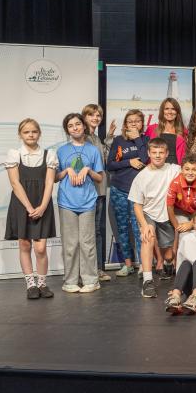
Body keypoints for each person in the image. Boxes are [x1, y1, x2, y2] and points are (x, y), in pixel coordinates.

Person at [5, 118, 58, 299]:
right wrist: (29, 207)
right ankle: (31, 285)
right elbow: (15, 182)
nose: (30, 135)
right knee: (25, 244)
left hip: (42, 202)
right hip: (22, 204)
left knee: (41, 248)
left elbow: (50, 181)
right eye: (26, 132)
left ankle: (42, 284)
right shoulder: (14, 154)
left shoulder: (49, 154)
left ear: (39, 133)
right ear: (20, 134)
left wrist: (42, 206)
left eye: (34, 131)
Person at [56, 113, 105, 294]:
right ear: (67, 130)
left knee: (87, 242)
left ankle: (91, 280)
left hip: (87, 201)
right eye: (70, 125)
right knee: (70, 243)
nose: (75, 127)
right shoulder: (61, 151)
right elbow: (54, 177)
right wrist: (67, 170)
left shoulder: (93, 150)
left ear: (84, 126)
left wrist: (88, 170)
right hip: (67, 202)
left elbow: (100, 178)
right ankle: (70, 280)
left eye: (78, 124)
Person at [129, 137, 181, 296]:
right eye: (154, 152)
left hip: (166, 215)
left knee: (168, 253)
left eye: (161, 152)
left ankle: (167, 263)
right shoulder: (141, 177)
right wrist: (144, 225)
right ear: (148, 154)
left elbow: (194, 169)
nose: (157, 155)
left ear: (167, 154)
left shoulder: (174, 169)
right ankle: (147, 280)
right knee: (148, 237)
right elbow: (137, 205)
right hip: (148, 213)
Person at [107, 109, 149, 277]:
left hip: (138, 192)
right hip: (119, 189)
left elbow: (146, 159)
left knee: (139, 229)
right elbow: (109, 165)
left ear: (142, 124)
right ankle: (128, 264)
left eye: (137, 121)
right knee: (123, 228)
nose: (133, 123)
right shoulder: (118, 140)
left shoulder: (145, 140)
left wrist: (138, 139)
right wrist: (128, 162)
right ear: (125, 125)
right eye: (130, 121)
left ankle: (142, 264)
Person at [82, 104, 112, 282]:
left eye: (98, 115)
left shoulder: (95, 138)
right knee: (89, 231)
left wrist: (108, 138)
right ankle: (89, 269)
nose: (95, 118)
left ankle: (98, 268)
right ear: (84, 117)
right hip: (87, 192)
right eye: (91, 115)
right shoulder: (83, 138)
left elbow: (104, 160)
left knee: (98, 231)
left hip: (100, 190)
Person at [166, 154, 196, 246]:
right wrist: (177, 226)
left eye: (194, 169)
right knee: (184, 235)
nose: (190, 173)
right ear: (181, 169)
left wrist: (192, 223)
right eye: (187, 169)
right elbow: (170, 207)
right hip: (180, 212)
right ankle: (184, 258)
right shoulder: (175, 182)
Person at [145, 97, 187, 165]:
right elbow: (145, 152)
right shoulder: (151, 129)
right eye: (166, 109)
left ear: (177, 112)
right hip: (156, 169)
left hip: (175, 170)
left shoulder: (184, 131)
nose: (170, 112)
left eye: (173, 109)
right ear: (162, 111)